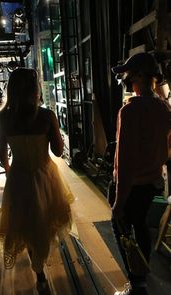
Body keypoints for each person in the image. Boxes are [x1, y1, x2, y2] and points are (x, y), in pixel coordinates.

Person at [0, 67, 74, 292]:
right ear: (35, 89)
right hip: (46, 176)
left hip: (19, 177)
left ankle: (39, 274)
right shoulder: (46, 116)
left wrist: (13, 173)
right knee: (46, 222)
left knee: (27, 224)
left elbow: (2, 157)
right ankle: (41, 263)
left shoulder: (2, 118)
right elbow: (58, 151)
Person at [111, 52, 171, 295]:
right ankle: (141, 282)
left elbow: (125, 161)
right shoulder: (164, 109)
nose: (126, 79)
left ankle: (136, 284)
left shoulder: (130, 111)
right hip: (153, 181)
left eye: (128, 74)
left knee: (122, 227)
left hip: (132, 184)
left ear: (139, 77)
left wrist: (118, 201)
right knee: (142, 227)